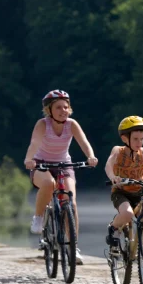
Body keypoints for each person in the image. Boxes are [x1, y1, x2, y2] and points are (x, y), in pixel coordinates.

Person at [24, 90, 98, 265]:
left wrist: (91, 156)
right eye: (58, 107)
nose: (63, 110)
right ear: (49, 110)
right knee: (49, 183)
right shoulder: (43, 124)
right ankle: (39, 217)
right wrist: (29, 159)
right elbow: (34, 143)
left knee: (70, 202)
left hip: (64, 165)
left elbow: (84, 142)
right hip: (41, 164)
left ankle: (73, 248)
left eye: (66, 107)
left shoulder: (71, 124)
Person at [104, 116, 143, 249]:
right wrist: (113, 176)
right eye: (135, 139)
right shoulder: (117, 151)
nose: (139, 142)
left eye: (142, 139)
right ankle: (113, 228)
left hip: (139, 193)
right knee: (128, 214)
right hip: (121, 192)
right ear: (125, 138)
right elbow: (109, 164)